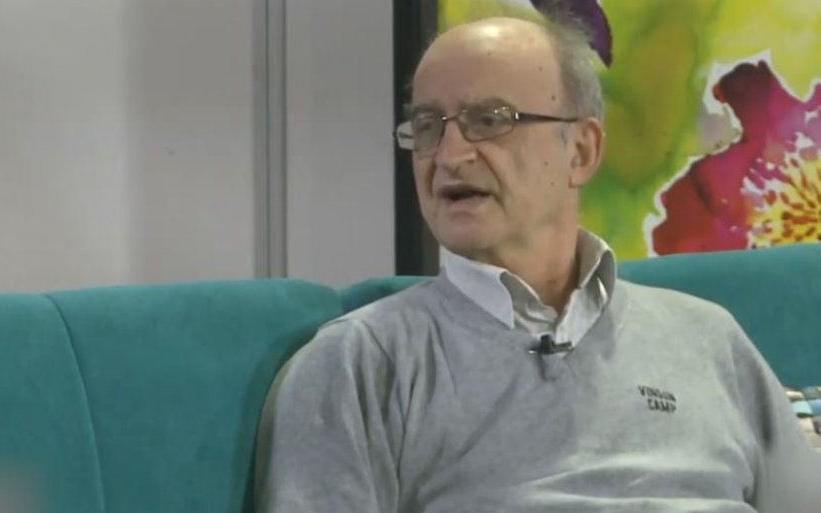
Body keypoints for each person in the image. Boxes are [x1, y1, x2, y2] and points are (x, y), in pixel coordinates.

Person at [255, 7, 821, 513]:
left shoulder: (709, 339)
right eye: (428, 127)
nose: (449, 155)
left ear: (581, 151)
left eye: (490, 119)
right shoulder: (361, 363)